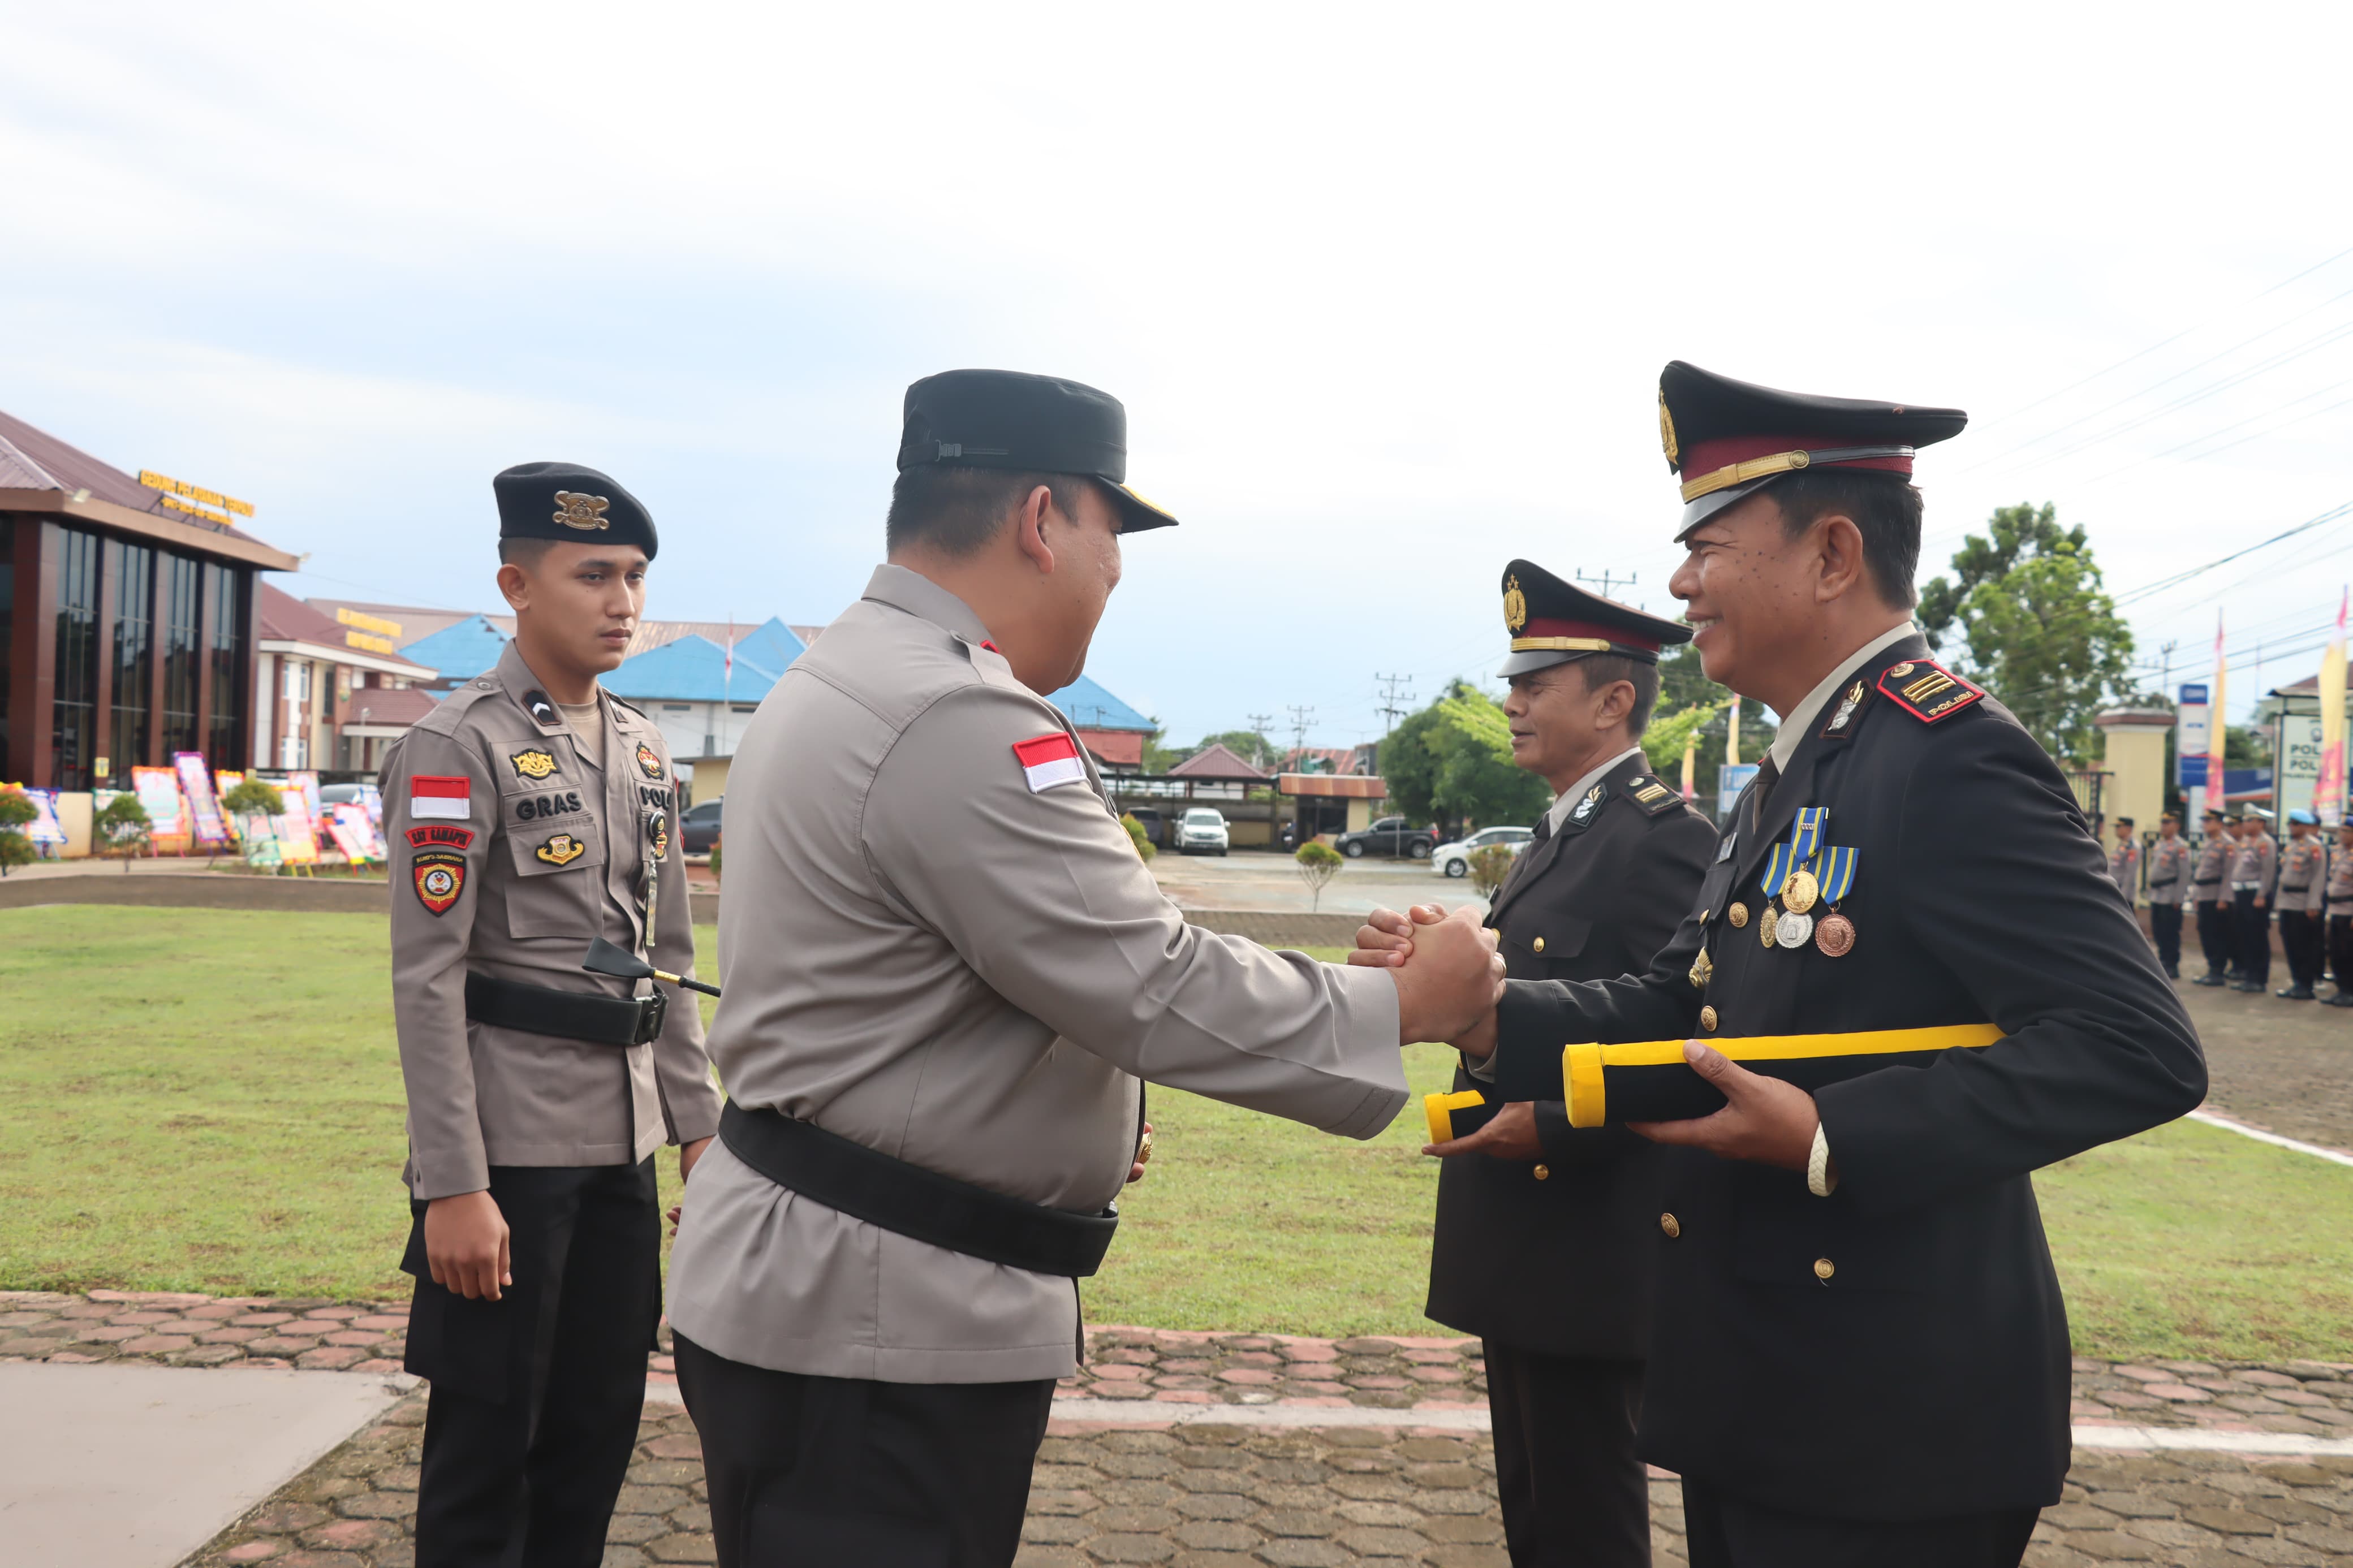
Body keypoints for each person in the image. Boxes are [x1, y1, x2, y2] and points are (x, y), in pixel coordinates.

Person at [1359, 361, 2203, 1568]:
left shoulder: (1942, 758)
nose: (1678, 579)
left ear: (1830, 555)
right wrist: (1491, 1012)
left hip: (1888, 1419)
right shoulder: (1796, 771)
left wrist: (1831, 1138)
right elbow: (1681, 1006)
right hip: (1767, 1384)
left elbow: (2136, 1048)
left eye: (1709, 540)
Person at [662, 369, 1505, 1568]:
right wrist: (1406, 1004)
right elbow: (1148, 980)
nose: (1113, 579)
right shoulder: (955, 713)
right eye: (1114, 543)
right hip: (876, 1320)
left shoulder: (848, 673)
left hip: (834, 1292)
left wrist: (1069, 1110)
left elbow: (955, 979)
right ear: (1042, 520)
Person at [380, 463, 721, 1567]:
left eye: (634, 577)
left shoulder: (643, 748)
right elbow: (426, 978)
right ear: (517, 585)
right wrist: (454, 1185)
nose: (622, 601)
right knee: (486, 1454)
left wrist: (700, 1131)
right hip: (511, 1159)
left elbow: (663, 957)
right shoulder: (455, 744)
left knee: (593, 1439)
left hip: (619, 1150)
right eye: (593, 575)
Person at [1404, 561, 1715, 1567]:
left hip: (1587, 1231)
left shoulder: (1661, 840)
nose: (1513, 702)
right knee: (1539, 1509)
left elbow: (1680, 1039)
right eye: (1515, 681)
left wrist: (1556, 1122)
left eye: (1538, 683)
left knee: (1586, 1520)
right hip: (1528, 1232)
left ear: (1614, 700)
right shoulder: (1563, 833)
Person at [2275, 810, 2325, 1000]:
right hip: (2287, 902)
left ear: (2305, 826)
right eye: (2290, 823)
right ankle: (2297, 982)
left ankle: (2306, 985)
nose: (2291, 827)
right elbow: (2283, 878)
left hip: (2302, 903)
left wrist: (2313, 904)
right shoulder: (2291, 846)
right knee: (2291, 945)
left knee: (2303, 945)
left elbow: (2318, 878)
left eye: (2296, 824)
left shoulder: (2315, 847)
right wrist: (2278, 902)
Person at [2229, 813, 2278, 993]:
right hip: (2241, 893)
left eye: (2250, 821)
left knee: (2257, 937)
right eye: (2245, 820)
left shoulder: (2266, 843)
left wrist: (2261, 895)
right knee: (2245, 936)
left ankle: (2259, 978)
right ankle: (2249, 975)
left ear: (2261, 823)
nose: (2245, 824)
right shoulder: (2244, 842)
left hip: (2255, 895)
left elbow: (2268, 871)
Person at [2191, 807, 2235, 986]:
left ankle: (2218, 971)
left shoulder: (2227, 844)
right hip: (2204, 895)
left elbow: (2229, 873)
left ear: (2219, 823)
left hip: (2216, 896)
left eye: (2209, 821)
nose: (2205, 824)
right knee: (2205, 932)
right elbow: (2200, 872)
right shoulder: (2209, 842)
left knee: (2217, 934)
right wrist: (2195, 896)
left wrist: (2224, 898)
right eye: (2204, 821)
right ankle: (2212, 968)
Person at [2144, 813, 2191, 979]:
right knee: (2159, 932)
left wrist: (2178, 899)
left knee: (2170, 932)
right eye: (2162, 822)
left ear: (2176, 825)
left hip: (2170, 896)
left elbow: (2184, 875)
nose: (2163, 826)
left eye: (2167, 823)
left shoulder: (2181, 846)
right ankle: (2163, 962)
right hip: (2157, 896)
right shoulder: (2160, 844)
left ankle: (2172, 965)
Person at [2327, 821, 2353, 1007]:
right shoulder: (2337, 852)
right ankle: (2341, 989)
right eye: (2341, 831)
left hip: (2349, 911)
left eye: (2347, 831)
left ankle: (2350, 992)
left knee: (2348, 953)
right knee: (2336, 953)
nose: (2343, 834)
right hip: (2335, 910)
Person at [2107, 817, 2141, 905]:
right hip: (2116, 889)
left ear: (2129, 828)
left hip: (2123, 892)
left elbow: (2130, 873)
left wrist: (2123, 895)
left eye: (2119, 827)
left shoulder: (2132, 847)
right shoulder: (2122, 844)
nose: (2116, 829)